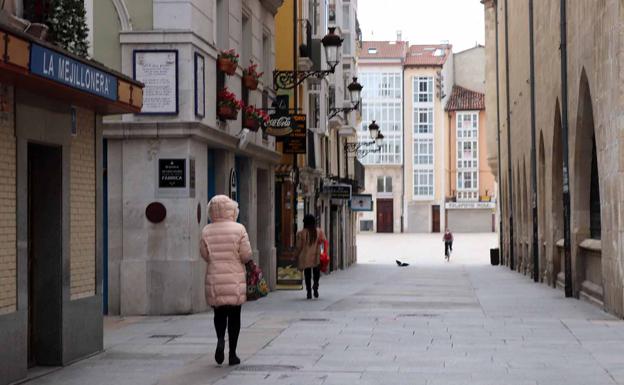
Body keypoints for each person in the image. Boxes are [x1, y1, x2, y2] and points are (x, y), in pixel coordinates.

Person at [200, 195, 252, 366]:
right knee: (234, 316)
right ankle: (233, 354)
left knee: (219, 313)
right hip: (234, 278)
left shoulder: (207, 230)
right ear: (232, 209)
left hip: (215, 277)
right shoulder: (239, 229)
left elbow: (204, 254)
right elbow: (246, 255)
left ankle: (220, 339)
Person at [295, 214, 326, 299]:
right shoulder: (319, 231)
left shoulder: (300, 233)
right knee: (316, 272)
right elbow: (323, 241)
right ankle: (315, 285)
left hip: (305, 257)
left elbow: (299, 247)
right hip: (316, 256)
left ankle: (309, 292)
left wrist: (295, 255)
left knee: (307, 274)